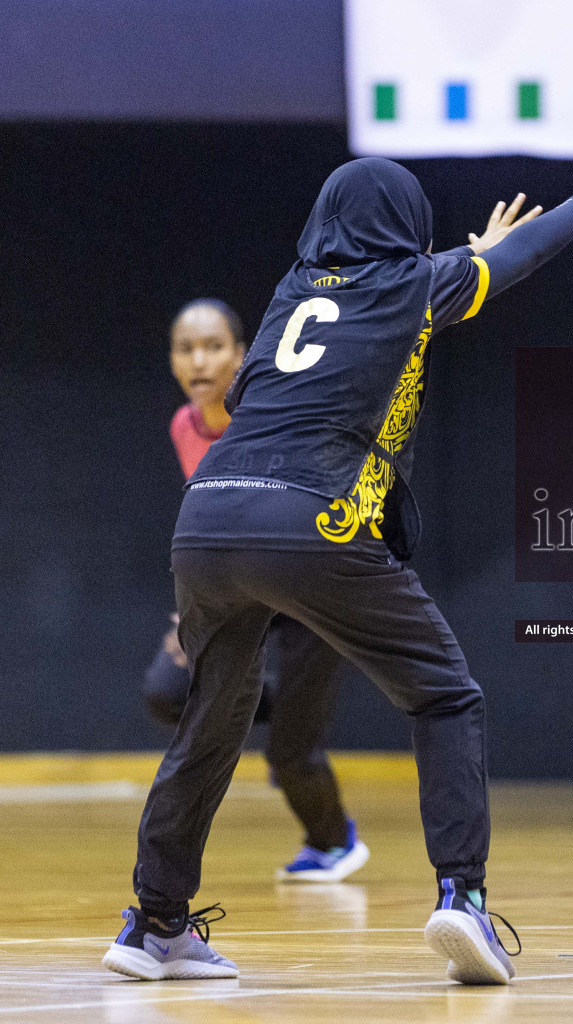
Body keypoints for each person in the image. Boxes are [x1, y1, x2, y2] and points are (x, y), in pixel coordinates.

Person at [102, 149, 573, 984]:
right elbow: (521, 260)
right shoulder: (410, 284)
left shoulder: (293, 292)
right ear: (407, 224)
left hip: (207, 518)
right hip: (309, 517)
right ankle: (462, 899)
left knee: (208, 723)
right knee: (445, 694)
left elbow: (307, 373)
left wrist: (469, 263)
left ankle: (154, 926)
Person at [146, 297, 369, 884]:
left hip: (309, 580)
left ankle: (333, 841)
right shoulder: (183, 425)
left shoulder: (267, 414)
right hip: (247, 582)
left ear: (242, 356)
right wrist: (194, 611)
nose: (200, 360)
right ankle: (282, 712)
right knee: (169, 689)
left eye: (214, 346)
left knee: (291, 757)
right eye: (185, 348)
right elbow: (215, 524)